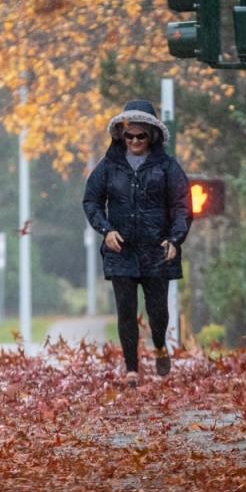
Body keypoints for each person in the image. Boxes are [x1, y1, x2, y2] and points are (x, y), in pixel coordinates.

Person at [83, 99, 193, 383]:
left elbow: (183, 206)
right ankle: (131, 368)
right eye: (129, 135)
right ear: (121, 134)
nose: (134, 141)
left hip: (157, 251)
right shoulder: (108, 167)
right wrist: (106, 230)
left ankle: (159, 346)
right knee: (126, 312)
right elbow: (91, 201)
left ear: (151, 136)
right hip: (121, 251)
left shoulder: (168, 167)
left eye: (140, 136)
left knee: (158, 312)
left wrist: (174, 239)